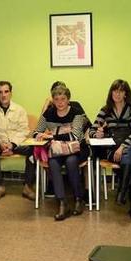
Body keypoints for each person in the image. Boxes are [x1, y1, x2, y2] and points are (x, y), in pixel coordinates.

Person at [91, 79, 131, 219]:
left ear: (126, 94)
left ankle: (122, 192)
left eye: (121, 91)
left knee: (129, 155)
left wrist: (123, 146)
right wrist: (97, 134)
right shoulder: (105, 110)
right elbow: (91, 130)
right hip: (111, 149)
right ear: (111, 93)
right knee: (130, 161)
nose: (117, 94)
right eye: (115, 90)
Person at [33, 84, 90, 221]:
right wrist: (38, 135)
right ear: (53, 100)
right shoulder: (49, 113)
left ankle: (78, 199)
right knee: (52, 162)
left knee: (71, 162)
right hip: (57, 150)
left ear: (68, 100)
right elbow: (36, 131)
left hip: (76, 149)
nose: (60, 102)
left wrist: (52, 136)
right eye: (57, 99)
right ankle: (62, 203)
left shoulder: (76, 113)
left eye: (63, 99)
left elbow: (75, 136)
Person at [0, 81, 35, 200]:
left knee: (33, 150)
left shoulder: (19, 110)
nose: (3, 95)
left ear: (11, 93)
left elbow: (24, 130)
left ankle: (28, 186)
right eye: (0, 92)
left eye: (6, 91)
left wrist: (12, 145)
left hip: (15, 143)